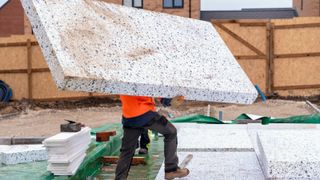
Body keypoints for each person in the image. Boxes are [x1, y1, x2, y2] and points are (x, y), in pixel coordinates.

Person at [115, 95, 189, 180]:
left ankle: (119, 178)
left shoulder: (124, 81)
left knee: (127, 151)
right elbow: (151, 90)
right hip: (145, 114)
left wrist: (163, 99)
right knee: (171, 132)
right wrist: (167, 100)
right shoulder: (142, 81)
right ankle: (171, 170)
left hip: (129, 115)